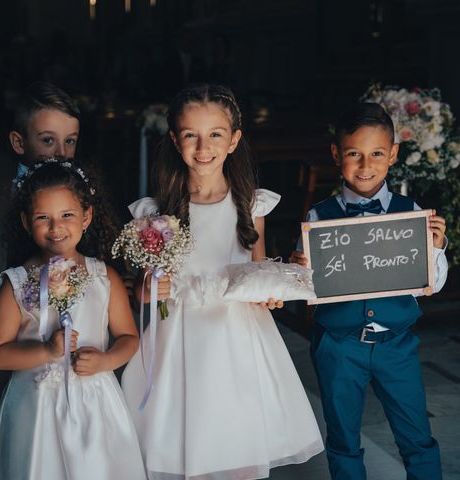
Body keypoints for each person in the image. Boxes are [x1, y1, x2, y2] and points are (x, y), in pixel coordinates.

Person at [122, 84, 323, 479]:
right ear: (174, 140)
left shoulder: (250, 204)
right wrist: (147, 289)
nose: (203, 146)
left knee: (238, 434)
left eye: (215, 134)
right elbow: (145, 287)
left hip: (238, 337)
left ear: (233, 140)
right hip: (179, 336)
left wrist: (271, 294)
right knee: (184, 436)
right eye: (190, 135)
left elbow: (257, 271)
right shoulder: (156, 210)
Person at [290, 102, 448, 480]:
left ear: (393, 154)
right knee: (343, 437)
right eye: (354, 154)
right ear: (336, 155)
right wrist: (296, 272)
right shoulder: (317, 218)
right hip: (339, 346)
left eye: (376, 153)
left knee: (417, 435)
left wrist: (437, 249)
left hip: (397, 345)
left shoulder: (413, 213)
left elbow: (432, 286)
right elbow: (305, 288)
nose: (365, 165)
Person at [0, 159, 146, 480]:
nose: (56, 228)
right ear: (26, 222)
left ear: (87, 216)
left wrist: (107, 360)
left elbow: (129, 337)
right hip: (35, 405)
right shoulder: (18, 281)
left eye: (67, 215)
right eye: (43, 218)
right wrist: (48, 352)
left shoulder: (103, 277)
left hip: (95, 402)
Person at [8, 81, 81, 181]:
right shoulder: (31, 194)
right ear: (19, 143)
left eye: (69, 141)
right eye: (48, 140)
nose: (62, 153)